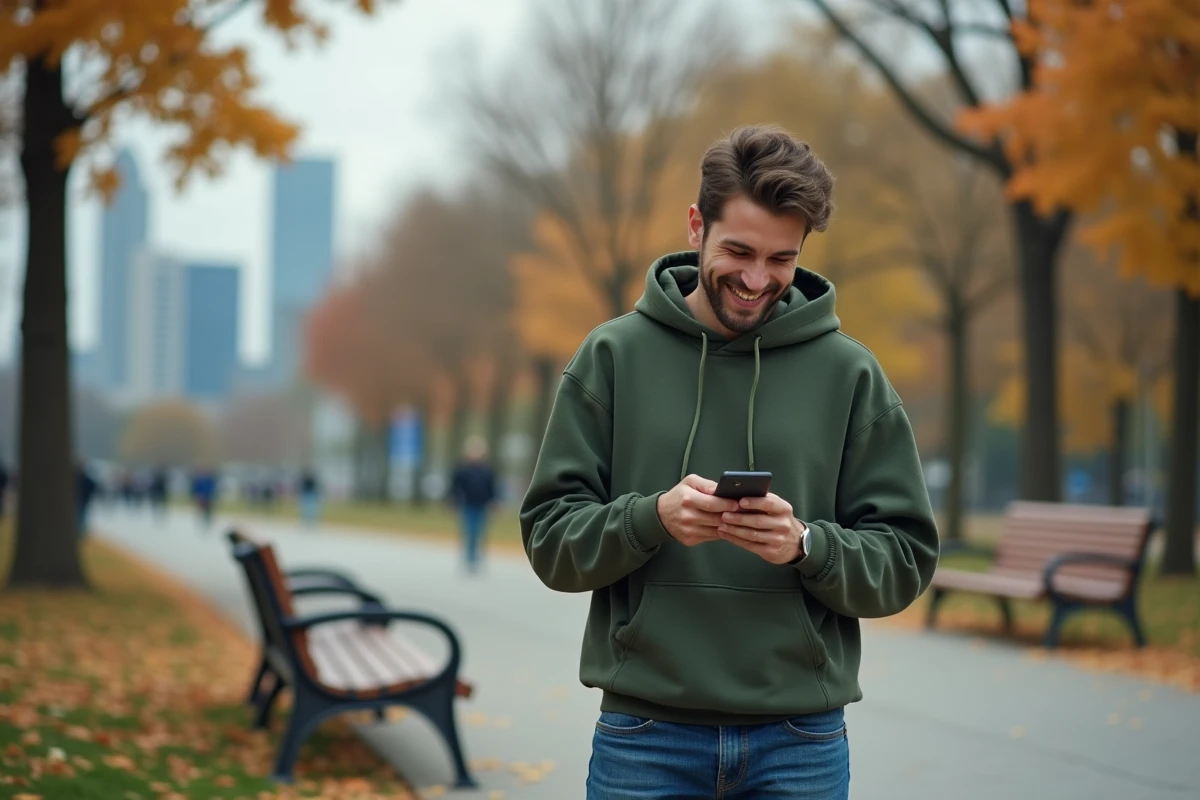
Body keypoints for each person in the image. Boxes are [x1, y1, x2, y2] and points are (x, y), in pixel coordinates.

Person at [519, 126, 940, 799]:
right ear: (696, 225)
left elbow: (906, 561)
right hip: (645, 735)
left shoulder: (850, 375)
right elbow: (549, 540)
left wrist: (808, 546)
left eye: (781, 258)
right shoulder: (613, 358)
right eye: (738, 251)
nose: (755, 279)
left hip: (799, 740)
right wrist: (649, 519)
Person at [449, 435, 498, 574]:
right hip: (467, 505)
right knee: (469, 531)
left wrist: (494, 502)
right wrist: (454, 501)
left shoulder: (487, 470)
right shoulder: (462, 470)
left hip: (482, 505)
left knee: (480, 532)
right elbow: (455, 486)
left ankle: (477, 558)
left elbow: (492, 488)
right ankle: (469, 559)